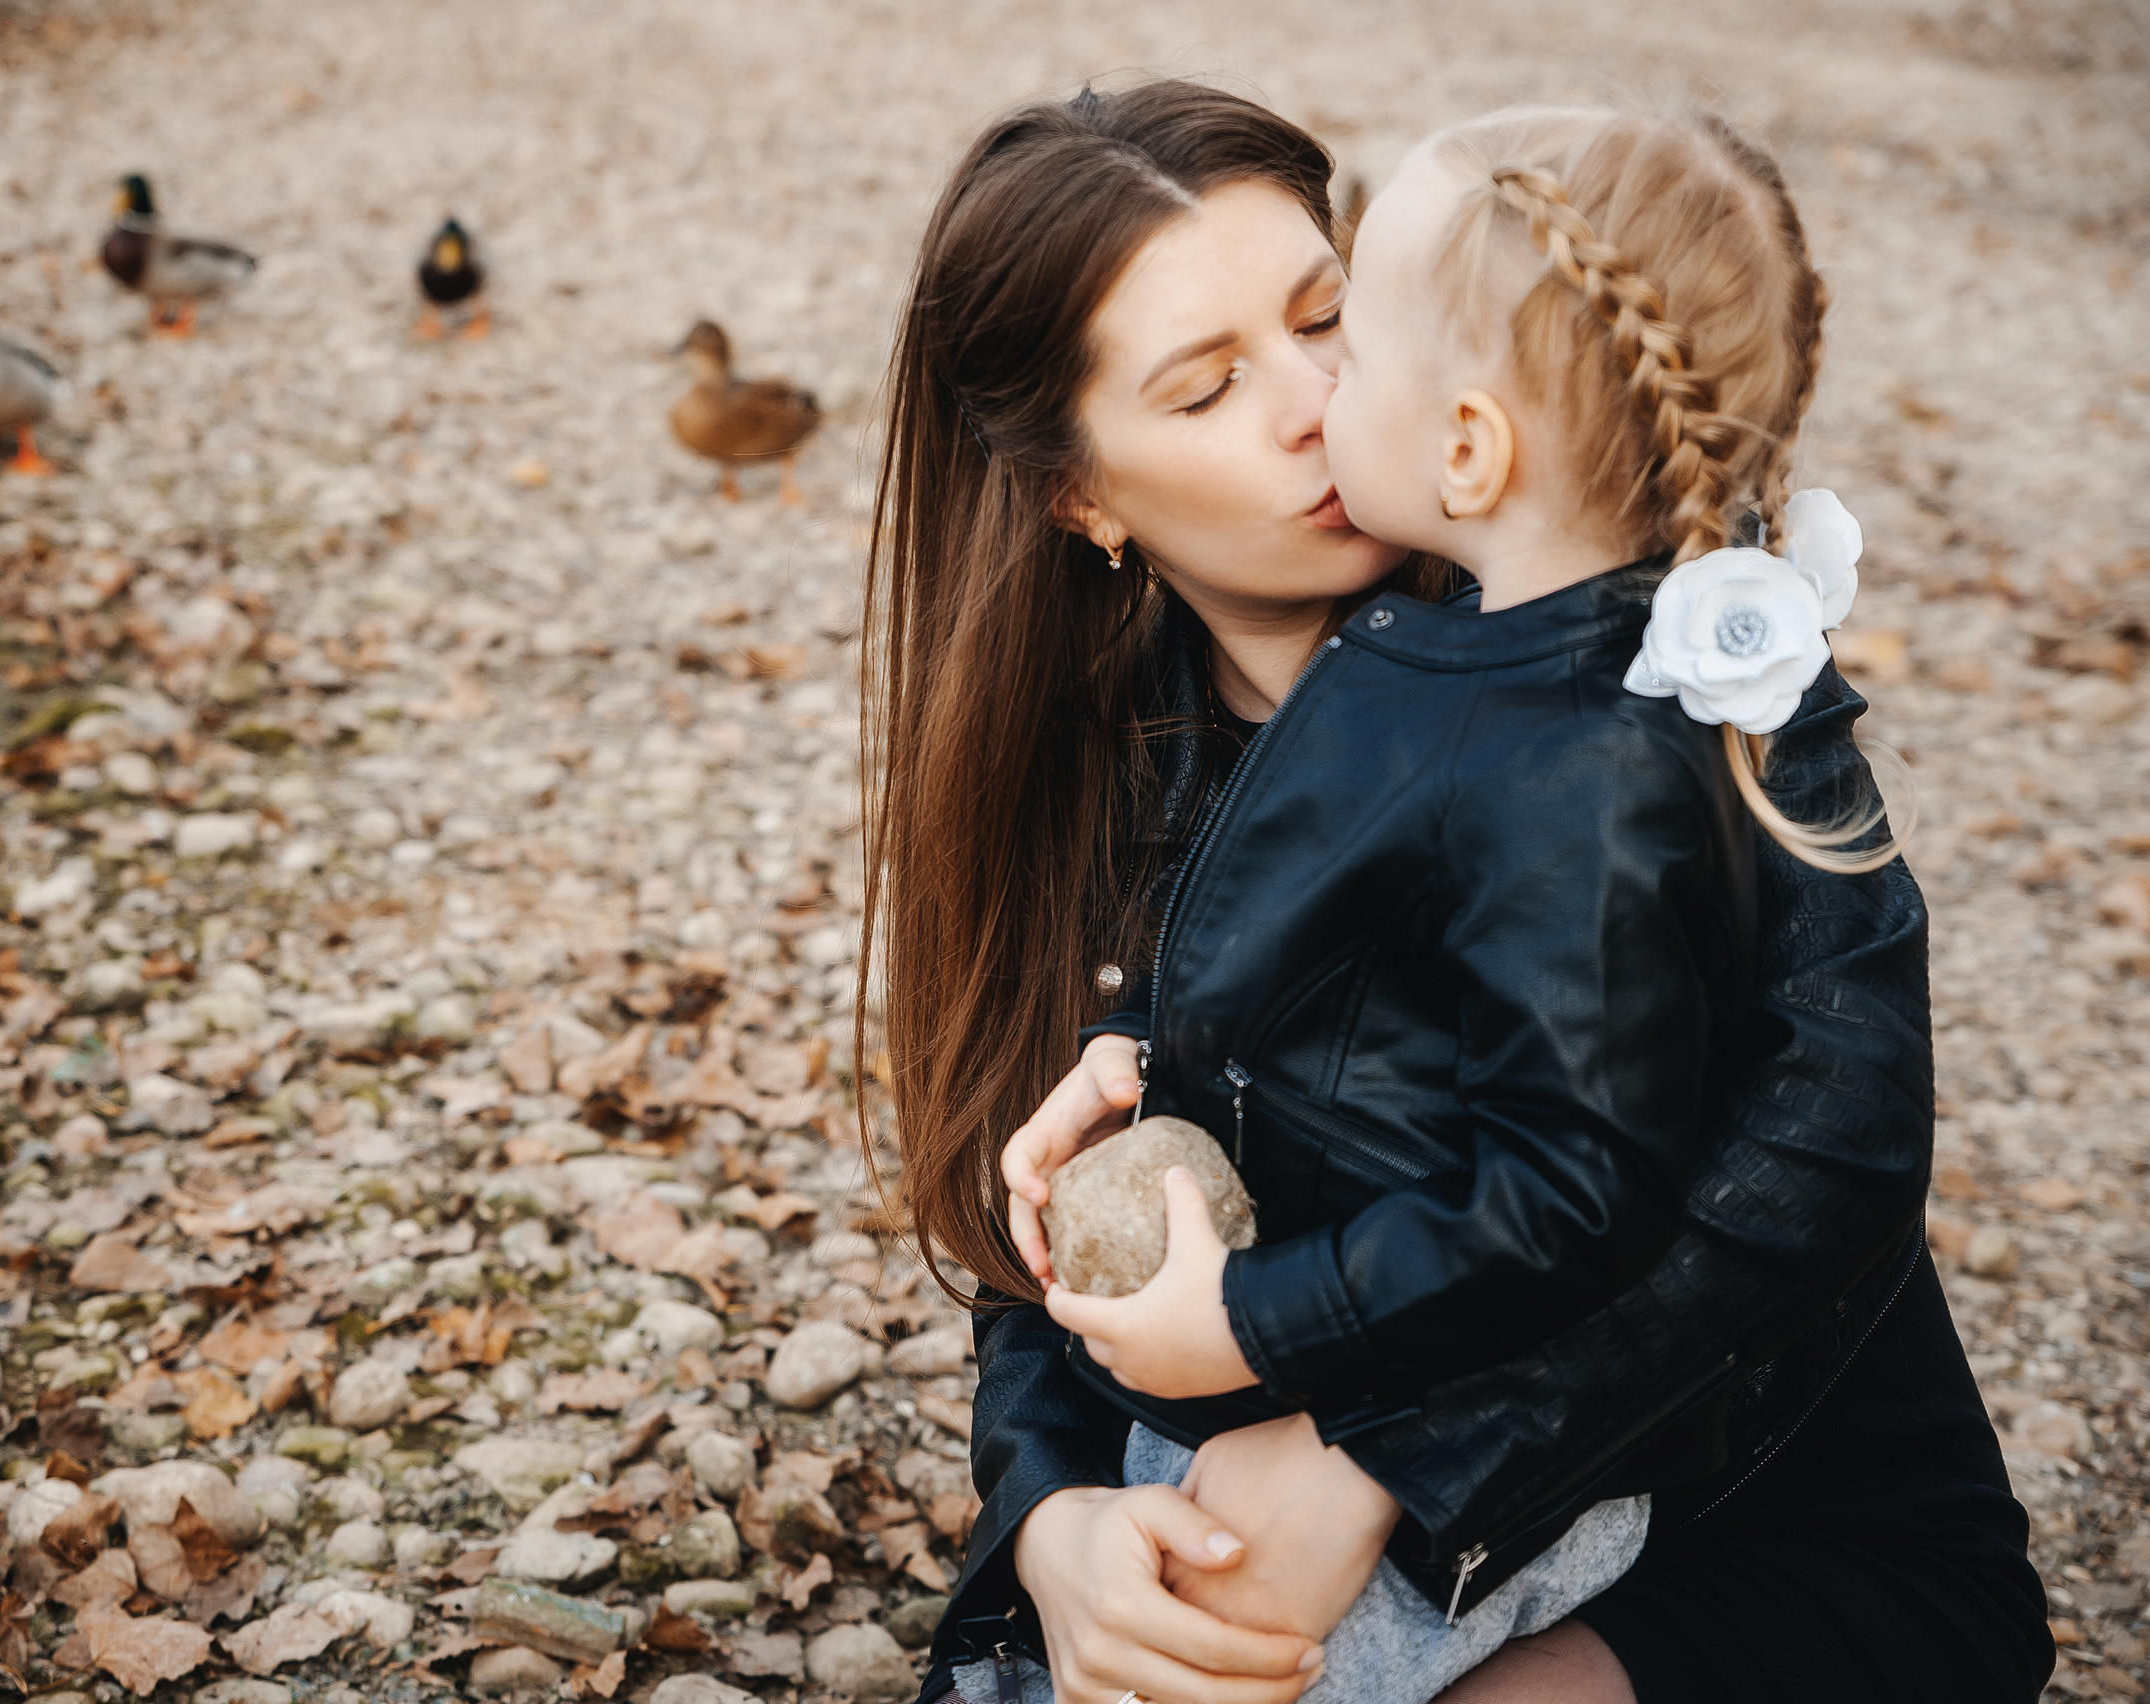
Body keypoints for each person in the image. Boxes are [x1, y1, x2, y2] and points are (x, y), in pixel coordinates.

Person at [859, 80, 2053, 1704]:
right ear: (1085, 498)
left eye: (1328, 317)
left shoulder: (1678, 652)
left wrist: (1386, 1456)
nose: (1314, 400)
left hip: (1758, 1506)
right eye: (1211, 386)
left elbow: (1837, 1136)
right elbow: (1051, 1227)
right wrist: (1054, 1514)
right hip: (1282, 1479)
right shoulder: (1101, 771)